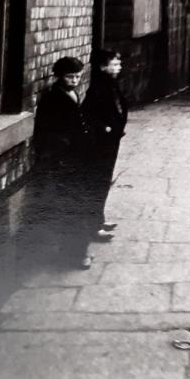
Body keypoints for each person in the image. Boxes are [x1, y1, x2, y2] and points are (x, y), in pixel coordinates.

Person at [32, 56, 94, 269]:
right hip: (64, 161)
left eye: (78, 76)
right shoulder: (53, 98)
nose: (75, 80)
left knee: (77, 206)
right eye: (70, 77)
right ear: (58, 76)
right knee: (73, 207)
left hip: (76, 159)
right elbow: (48, 131)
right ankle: (75, 254)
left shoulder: (71, 93)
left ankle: (76, 251)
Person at [81, 49, 127, 245]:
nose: (119, 67)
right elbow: (88, 115)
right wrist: (105, 128)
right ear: (102, 67)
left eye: (119, 64)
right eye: (114, 64)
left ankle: (98, 220)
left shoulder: (111, 84)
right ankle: (93, 228)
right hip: (101, 143)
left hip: (111, 141)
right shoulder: (98, 88)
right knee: (98, 183)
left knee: (103, 181)